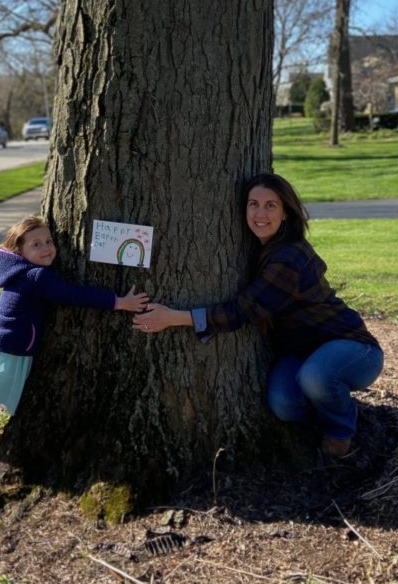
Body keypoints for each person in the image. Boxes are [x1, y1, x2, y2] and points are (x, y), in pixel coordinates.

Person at [132, 173, 382, 457]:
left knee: (316, 377)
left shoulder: (289, 258)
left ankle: (339, 433)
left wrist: (173, 317)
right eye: (253, 204)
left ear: (286, 212)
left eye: (270, 206)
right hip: (301, 353)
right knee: (283, 404)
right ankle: (323, 412)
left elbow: (243, 311)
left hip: (352, 348)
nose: (260, 213)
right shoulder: (264, 250)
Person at [0, 216, 149, 510]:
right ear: (19, 249)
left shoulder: (28, 272)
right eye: (36, 244)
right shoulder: (35, 277)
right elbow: (73, 294)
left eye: (49, 241)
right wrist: (119, 302)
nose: (47, 248)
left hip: (7, 356)